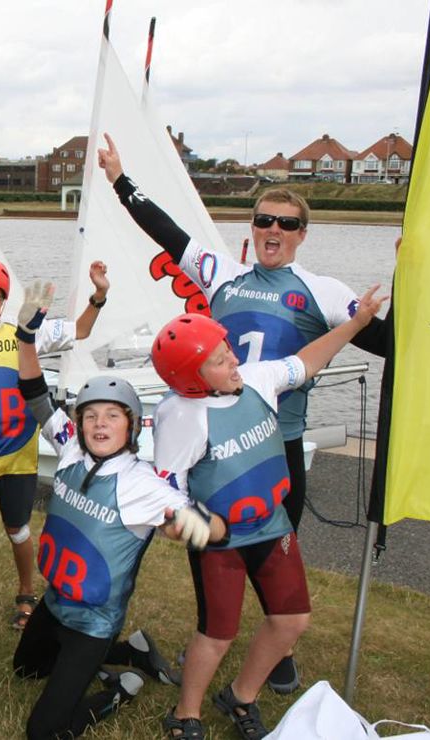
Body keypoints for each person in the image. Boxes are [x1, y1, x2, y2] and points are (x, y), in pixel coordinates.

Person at [97, 133, 389, 692]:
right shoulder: (221, 272)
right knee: (210, 551)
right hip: (214, 447)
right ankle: (209, 639)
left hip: (279, 446)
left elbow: (385, 343)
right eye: (264, 220)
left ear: (303, 234)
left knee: (273, 550)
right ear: (253, 226)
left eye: (285, 224)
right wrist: (119, 180)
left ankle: (275, 648)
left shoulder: (323, 290)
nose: (272, 231)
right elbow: (164, 230)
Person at [151, 289, 384, 740]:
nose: (233, 361)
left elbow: (305, 362)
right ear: (192, 378)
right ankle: (185, 713)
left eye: (227, 351)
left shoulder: (254, 379)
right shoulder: (181, 415)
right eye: (219, 360)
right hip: (224, 542)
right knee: (217, 634)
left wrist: (357, 324)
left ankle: (240, 696)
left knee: (291, 620)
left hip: (272, 524)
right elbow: (164, 497)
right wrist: (203, 528)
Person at [13, 281, 224, 739]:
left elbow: (203, 525)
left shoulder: (142, 483)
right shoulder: (69, 448)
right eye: (91, 415)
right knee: (26, 672)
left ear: (131, 426)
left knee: (43, 732)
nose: (99, 424)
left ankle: (117, 691)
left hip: (94, 622)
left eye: (112, 416)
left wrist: (189, 524)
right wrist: (25, 338)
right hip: (55, 602)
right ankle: (135, 652)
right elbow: (33, 391)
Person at [0, 256, 109, 631]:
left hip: (18, 458)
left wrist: (98, 296)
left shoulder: (24, 330)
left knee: (18, 530)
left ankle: (26, 593)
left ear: (4, 300)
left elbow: (81, 331)